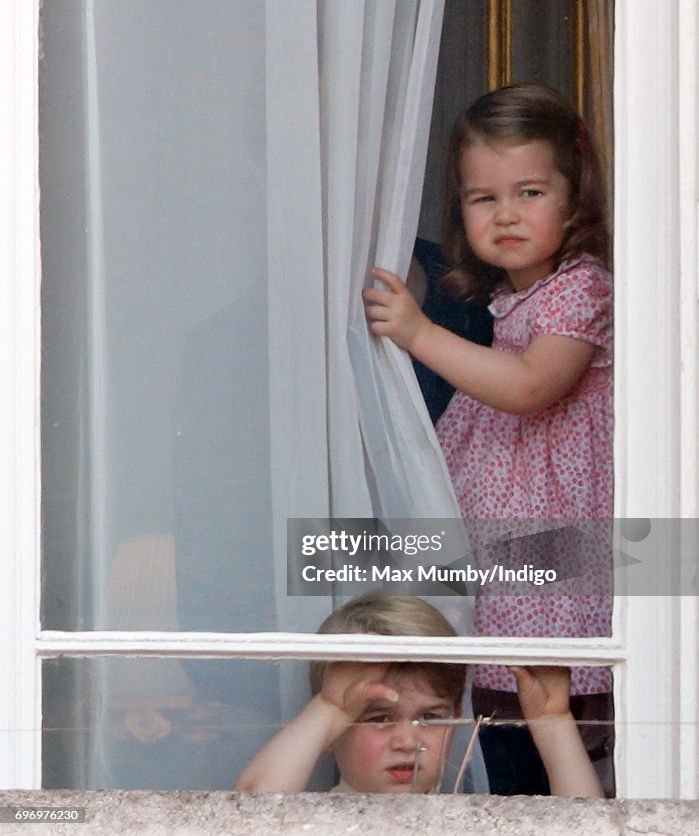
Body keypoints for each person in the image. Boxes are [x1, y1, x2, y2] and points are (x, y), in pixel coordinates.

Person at [363, 84, 614, 795]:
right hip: (510, 556)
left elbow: (530, 387)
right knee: (502, 717)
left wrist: (416, 333)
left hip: (552, 554)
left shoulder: (581, 289)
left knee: (540, 708)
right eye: (482, 199)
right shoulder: (509, 300)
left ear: (574, 197)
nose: (505, 214)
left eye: (529, 191)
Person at [234, 591, 603, 797]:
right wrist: (329, 708)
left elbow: (587, 826)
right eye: (379, 718)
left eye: (431, 717)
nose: (408, 741)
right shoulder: (311, 821)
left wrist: (553, 724)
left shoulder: (473, 822)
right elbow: (247, 817)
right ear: (332, 733)